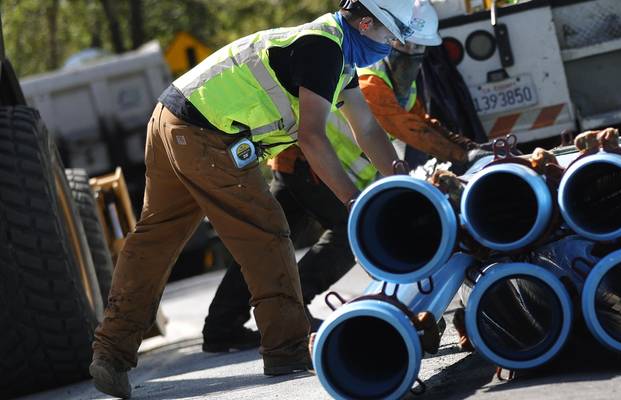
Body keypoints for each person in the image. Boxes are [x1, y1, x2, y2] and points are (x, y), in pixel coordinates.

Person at [88, 1, 414, 398]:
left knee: (155, 240)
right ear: (364, 24)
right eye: (388, 36)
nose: (389, 46)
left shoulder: (335, 54)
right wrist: (352, 201)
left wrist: (402, 182)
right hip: (204, 132)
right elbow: (311, 137)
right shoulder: (323, 48)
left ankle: (110, 353)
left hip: (171, 117)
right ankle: (288, 348)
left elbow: (366, 128)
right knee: (266, 232)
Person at [200, 0, 480, 353]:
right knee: (350, 233)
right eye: (407, 47)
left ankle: (223, 324)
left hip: (308, 163)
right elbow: (402, 128)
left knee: (269, 240)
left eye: (418, 51)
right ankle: (291, 310)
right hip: (308, 163)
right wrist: (459, 157)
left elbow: (415, 125)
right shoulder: (367, 76)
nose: (411, 56)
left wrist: (449, 155)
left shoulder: (395, 82)